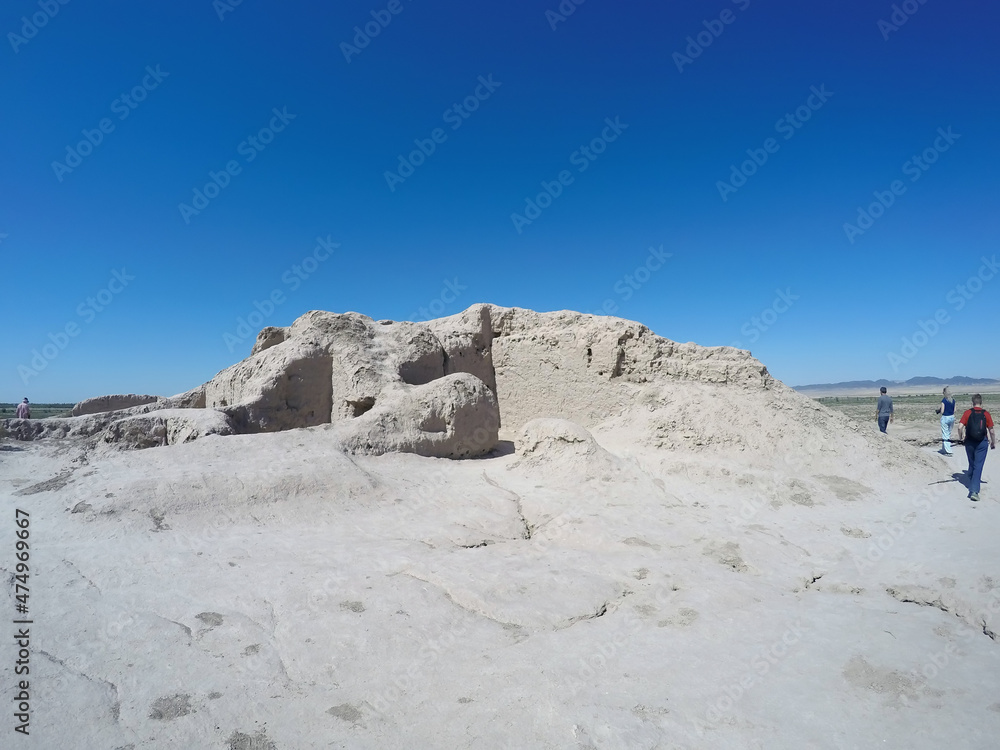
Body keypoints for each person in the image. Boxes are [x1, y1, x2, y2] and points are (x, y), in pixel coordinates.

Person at [956, 394, 996, 502]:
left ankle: (970, 473)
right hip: (982, 442)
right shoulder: (986, 414)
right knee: (978, 466)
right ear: (981, 402)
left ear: (972, 402)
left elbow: (959, 427)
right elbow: (991, 431)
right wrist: (993, 442)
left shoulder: (967, 413)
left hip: (969, 442)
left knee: (972, 460)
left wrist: (961, 438)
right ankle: (974, 491)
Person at [935, 387, 956, 455]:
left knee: (945, 434)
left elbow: (942, 411)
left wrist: (940, 410)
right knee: (948, 433)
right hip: (952, 417)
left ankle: (948, 451)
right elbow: (955, 410)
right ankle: (944, 449)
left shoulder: (944, 401)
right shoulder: (953, 401)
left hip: (945, 418)